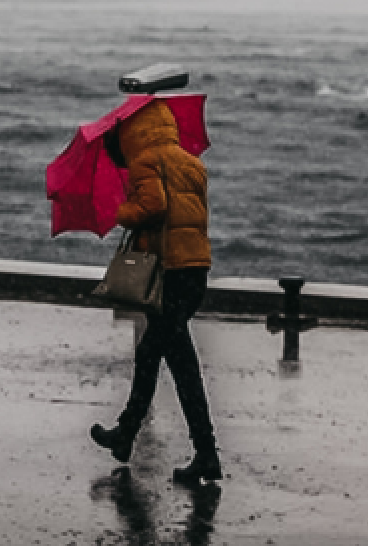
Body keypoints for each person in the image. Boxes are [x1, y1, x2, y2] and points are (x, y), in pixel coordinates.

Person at [91, 99, 221, 485]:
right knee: (169, 359)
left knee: (161, 358)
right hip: (194, 269)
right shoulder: (191, 163)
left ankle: (141, 436)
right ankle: (136, 436)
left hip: (169, 273)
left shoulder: (146, 161)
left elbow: (154, 205)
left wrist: (121, 212)